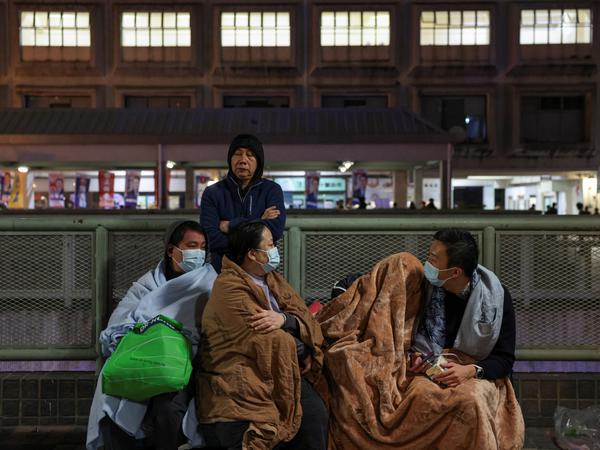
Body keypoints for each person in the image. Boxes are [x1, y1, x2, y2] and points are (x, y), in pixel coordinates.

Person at [316, 229, 524, 450]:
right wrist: (417, 356)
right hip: (426, 370)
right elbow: (365, 286)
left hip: (474, 371)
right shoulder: (422, 284)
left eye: (434, 259)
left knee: (470, 401)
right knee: (415, 397)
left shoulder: (495, 300)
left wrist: (471, 370)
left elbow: (504, 358)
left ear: (454, 272)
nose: (427, 263)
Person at [196, 221, 328, 450]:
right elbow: (266, 338)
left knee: (315, 414)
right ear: (253, 254)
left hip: (283, 364)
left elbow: (302, 316)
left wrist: (287, 321)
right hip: (243, 369)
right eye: (270, 245)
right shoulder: (229, 288)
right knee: (269, 424)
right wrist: (302, 348)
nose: (275, 249)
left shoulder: (273, 280)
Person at [86, 220, 217, 450]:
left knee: (168, 408)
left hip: (185, 364)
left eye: (203, 247)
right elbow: (119, 323)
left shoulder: (210, 283)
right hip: (143, 359)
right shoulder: (148, 284)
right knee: (114, 395)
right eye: (192, 245)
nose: (199, 253)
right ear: (171, 250)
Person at [200, 134, 286, 272]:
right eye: (237, 154)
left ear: (259, 161)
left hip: (261, 271)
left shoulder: (271, 190)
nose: (243, 160)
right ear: (230, 159)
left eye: (250, 155)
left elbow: (275, 230)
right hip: (223, 271)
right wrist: (259, 222)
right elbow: (211, 239)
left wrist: (231, 225)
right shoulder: (213, 193)